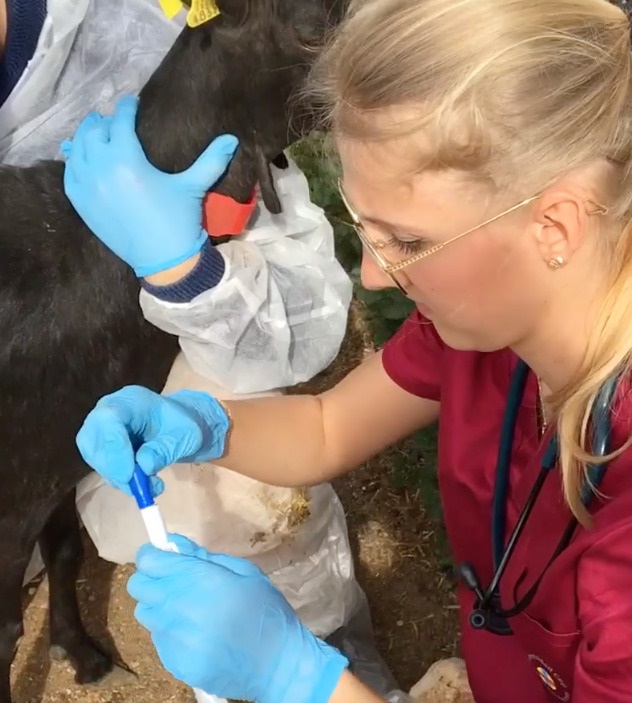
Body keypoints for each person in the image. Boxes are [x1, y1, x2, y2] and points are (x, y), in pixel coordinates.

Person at [63, 0, 632, 700]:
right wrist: (201, 425)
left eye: (403, 237)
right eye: (366, 230)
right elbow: (328, 427)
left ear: (553, 223)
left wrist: (300, 677)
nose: (372, 276)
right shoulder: (515, 309)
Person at [0, 0, 401, 698]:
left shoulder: (149, 37)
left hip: (160, 358)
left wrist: (189, 271)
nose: (384, 273)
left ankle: (314, 636)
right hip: (35, 398)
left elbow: (302, 316)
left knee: (251, 496)